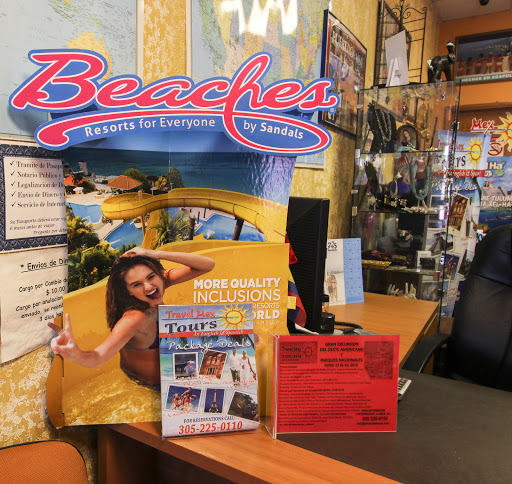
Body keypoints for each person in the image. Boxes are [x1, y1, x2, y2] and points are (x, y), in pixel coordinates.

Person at [48, 247, 215, 387]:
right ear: (128, 291)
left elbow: (208, 265)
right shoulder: (134, 319)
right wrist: (76, 354)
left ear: (159, 274)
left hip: (169, 368)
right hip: (153, 385)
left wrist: (155, 253)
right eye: (137, 284)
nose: (148, 287)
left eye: (151, 277)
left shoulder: (160, 282)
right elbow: (98, 357)